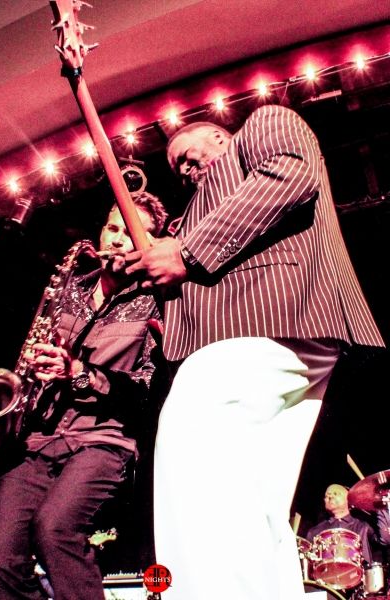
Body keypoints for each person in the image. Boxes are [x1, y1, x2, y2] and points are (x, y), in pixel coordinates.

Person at [124, 104, 385, 600]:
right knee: (251, 501)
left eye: (190, 155)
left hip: (271, 316)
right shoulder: (192, 215)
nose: (186, 169)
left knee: (194, 466)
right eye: (178, 167)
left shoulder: (263, 124)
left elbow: (292, 172)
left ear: (221, 138)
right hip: (261, 332)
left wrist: (184, 252)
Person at [0, 191, 168, 600]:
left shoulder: (158, 304)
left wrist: (78, 373)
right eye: (113, 228)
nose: (117, 239)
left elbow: (146, 391)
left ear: (149, 245)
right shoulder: (68, 287)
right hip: (39, 438)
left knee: (55, 529)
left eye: (130, 234)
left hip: (103, 441)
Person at [307, 483, 390, 566]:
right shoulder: (315, 532)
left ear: (348, 500)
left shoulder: (363, 526)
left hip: (359, 573)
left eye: (336, 494)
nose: (330, 496)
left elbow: (386, 539)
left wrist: (382, 506)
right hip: (325, 573)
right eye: (327, 495)